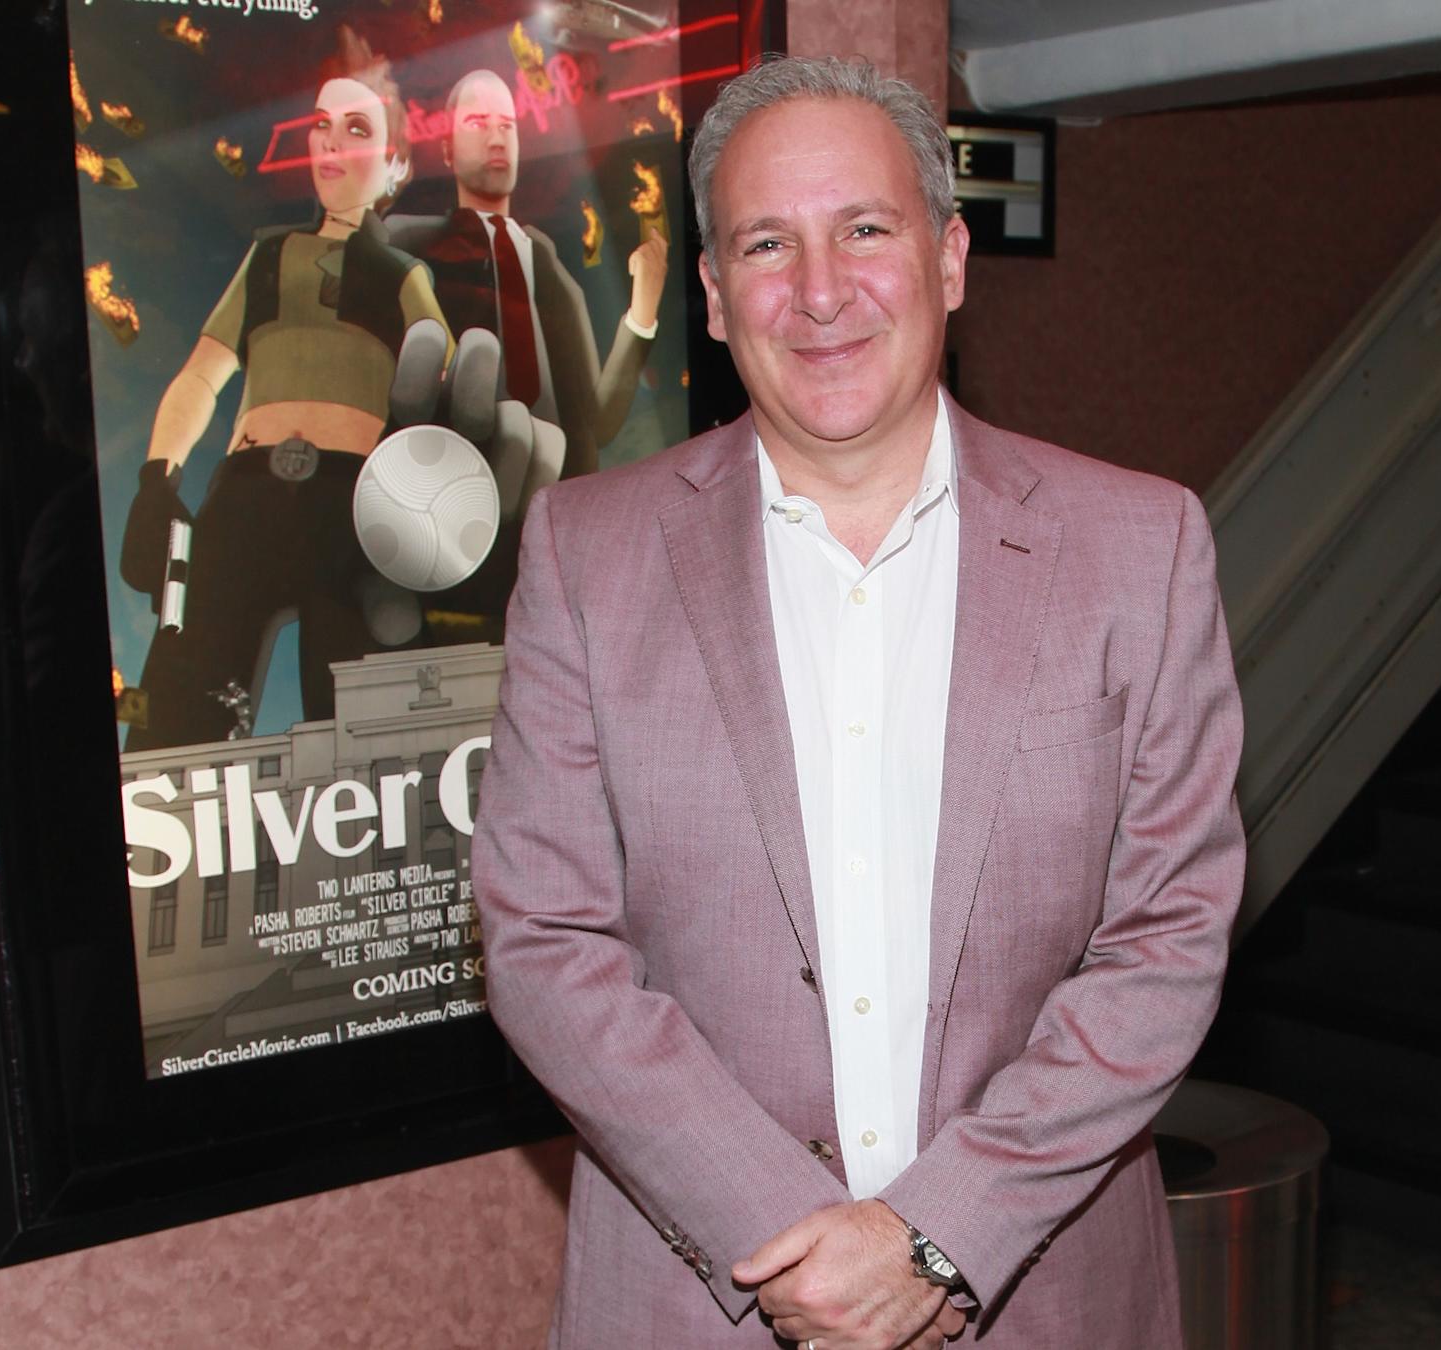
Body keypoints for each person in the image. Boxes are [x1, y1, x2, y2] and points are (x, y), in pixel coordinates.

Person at [473, 54, 1247, 1349]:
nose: (820, 291)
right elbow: (544, 939)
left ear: (948, 259)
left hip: (1041, 1295)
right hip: (705, 1300)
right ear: (712, 295)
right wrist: (804, 1249)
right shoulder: (584, 555)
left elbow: (1166, 936)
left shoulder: (1138, 546)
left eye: (866, 231)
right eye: (766, 243)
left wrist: (935, 1235)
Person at [120, 30, 447, 750]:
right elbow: (201, 375)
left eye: (356, 128)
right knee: (179, 705)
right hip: (244, 495)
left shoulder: (404, 278)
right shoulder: (268, 256)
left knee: (368, 726)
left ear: (394, 161)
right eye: (321, 125)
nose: (331, 142)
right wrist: (156, 479)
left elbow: (442, 390)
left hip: (354, 506)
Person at [389, 68, 668, 481]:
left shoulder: (547, 264)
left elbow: (598, 421)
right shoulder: (407, 243)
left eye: (507, 125)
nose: (496, 139)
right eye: (477, 123)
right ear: (447, 149)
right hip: (450, 491)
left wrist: (643, 311)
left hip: (557, 498)